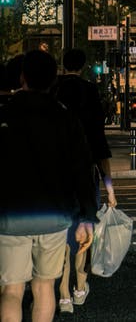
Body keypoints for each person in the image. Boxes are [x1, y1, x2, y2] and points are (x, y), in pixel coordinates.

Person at [0, 51, 98, 322]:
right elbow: (82, 170)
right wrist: (87, 217)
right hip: (54, 215)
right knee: (44, 287)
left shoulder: (4, 114)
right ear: (53, 79)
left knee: (11, 290)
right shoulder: (64, 117)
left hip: (10, 215)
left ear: (22, 77)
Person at [52, 49, 117, 313]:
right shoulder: (90, 93)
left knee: (62, 235)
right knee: (84, 231)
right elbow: (101, 147)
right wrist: (110, 189)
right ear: (83, 65)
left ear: (62, 63)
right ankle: (80, 287)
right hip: (86, 175)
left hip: (56, 175)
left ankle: (63, 293)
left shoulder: (53, 91)